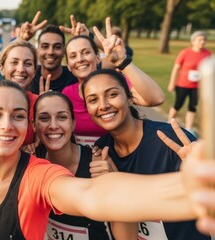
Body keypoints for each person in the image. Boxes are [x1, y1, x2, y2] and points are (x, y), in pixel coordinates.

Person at [0, 80, 212, 239]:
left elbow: (91, 194)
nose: (7, 125)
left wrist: (197, 186)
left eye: (18, 115)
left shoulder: (38, 176)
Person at [82, 69, 209, 240]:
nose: (103, 105)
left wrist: (201, 174)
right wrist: (112, 184)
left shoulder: (171, 141)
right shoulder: (102, 151)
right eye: (93, 100)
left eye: (112, 94)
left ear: (129, 97)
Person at [33, 91, 138, 239]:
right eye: (44, 118)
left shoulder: (98, 165)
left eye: (62, 117)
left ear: (73, 123)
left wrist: (115, 184)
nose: (53, 125)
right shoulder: (33, 159)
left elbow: (126, 237)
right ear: (34, 125)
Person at [62, 17, 165, 146]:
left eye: (86, 52)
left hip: (120, 158)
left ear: (98, 57)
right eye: (73, 56)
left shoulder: (115, 83)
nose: (80, 59)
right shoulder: (67, 94)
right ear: (69, 66)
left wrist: (122, 62)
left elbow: (156, 98)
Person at [167, 31, 211, 132]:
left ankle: (189, 129)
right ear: (193, 41)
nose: (202, 42)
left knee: (193, 106)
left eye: (204, 40)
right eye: (199, 40)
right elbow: (176, 68)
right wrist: (171, 83)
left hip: (198, 86)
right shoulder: (185, 52)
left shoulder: (207, 54)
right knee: (178, 104)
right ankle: (169, 123)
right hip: (183, 84)